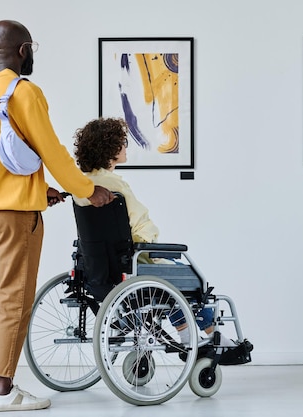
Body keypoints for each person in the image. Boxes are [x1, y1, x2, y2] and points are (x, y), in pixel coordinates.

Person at [0, 20, 114, 412]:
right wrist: (87, 190)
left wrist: (38, 189)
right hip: (13, 217)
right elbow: (54, 152)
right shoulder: (24, 92)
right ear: (24, 51)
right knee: (16, 300)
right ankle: (5, 391)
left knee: (1, 298)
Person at [72, 117, 246, 365]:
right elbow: (140, 225)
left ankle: (194, 334)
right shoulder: (114, 186)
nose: (126, 147)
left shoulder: (83, 187)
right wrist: (153, 247)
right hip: (131, 264)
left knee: (169, 277)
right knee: (187, 277)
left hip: (97, 269)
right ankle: (205, 337)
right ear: (110, 149)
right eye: (122, 142)